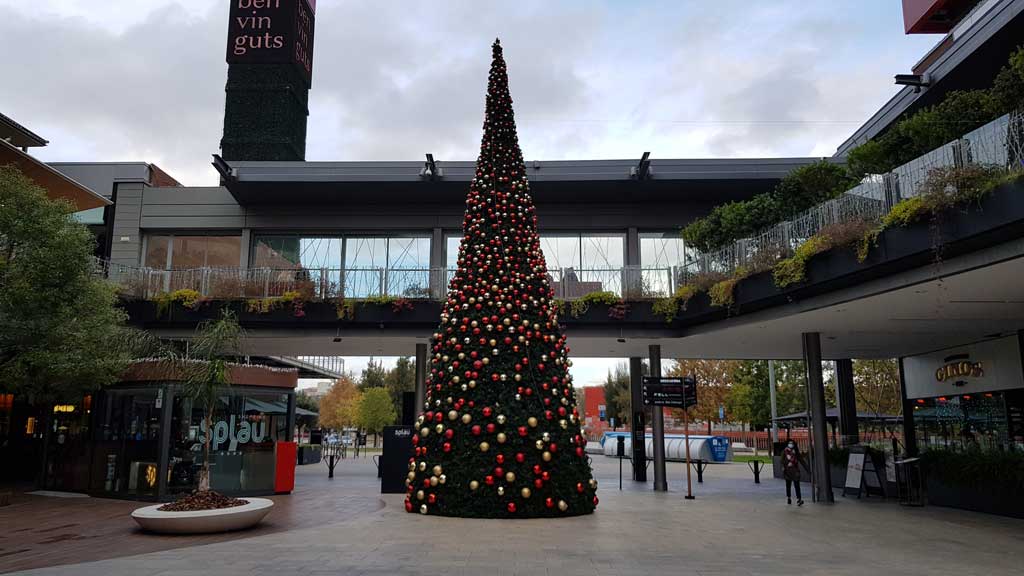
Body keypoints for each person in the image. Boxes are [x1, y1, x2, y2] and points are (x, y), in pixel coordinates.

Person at [782, 440, 804, 506]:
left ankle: (799, 499)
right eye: (789, 443)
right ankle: (789, 498)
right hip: (788, 471)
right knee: (788, 486)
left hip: (795, 471)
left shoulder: (796, 452)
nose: (791, 444)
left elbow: (801, 460)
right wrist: (784, 466)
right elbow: (781, 461)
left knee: (797, 485)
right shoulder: (784, 451)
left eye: (792, 443)